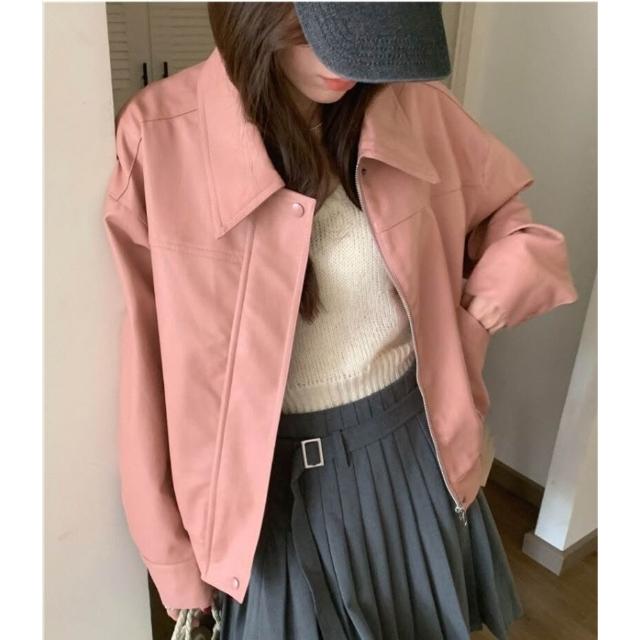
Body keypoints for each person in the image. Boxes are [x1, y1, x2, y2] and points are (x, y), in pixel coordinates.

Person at [102, 3, 579, 640]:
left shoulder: (415, 110)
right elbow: (147, 360)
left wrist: (482, 311)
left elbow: (515, 228)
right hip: (258, 493)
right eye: (319, 33)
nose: (348, 65)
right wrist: (171, 555)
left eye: (372, 36)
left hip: (409, 454)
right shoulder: (159, 136)